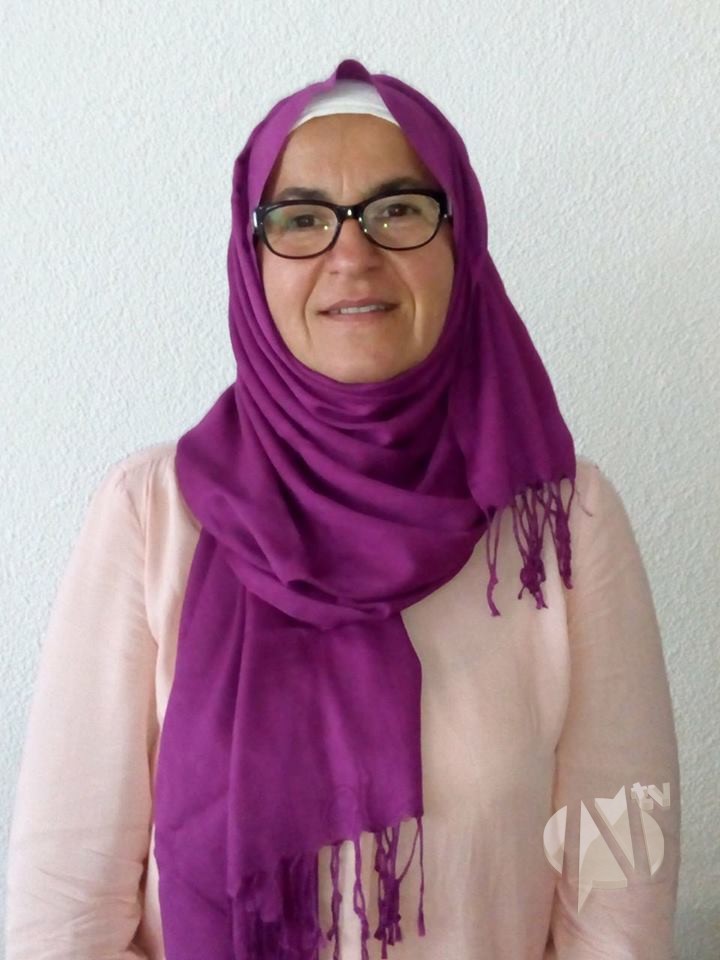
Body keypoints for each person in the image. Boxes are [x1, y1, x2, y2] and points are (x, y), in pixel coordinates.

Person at [5, 58, 681, 960]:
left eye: (398, 210)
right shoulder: (152, 516)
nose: (351, 255)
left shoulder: (562, 525)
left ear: (462, 241)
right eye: (302, 219)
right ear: (252, 261)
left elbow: (618, 897)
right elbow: (65, 911)